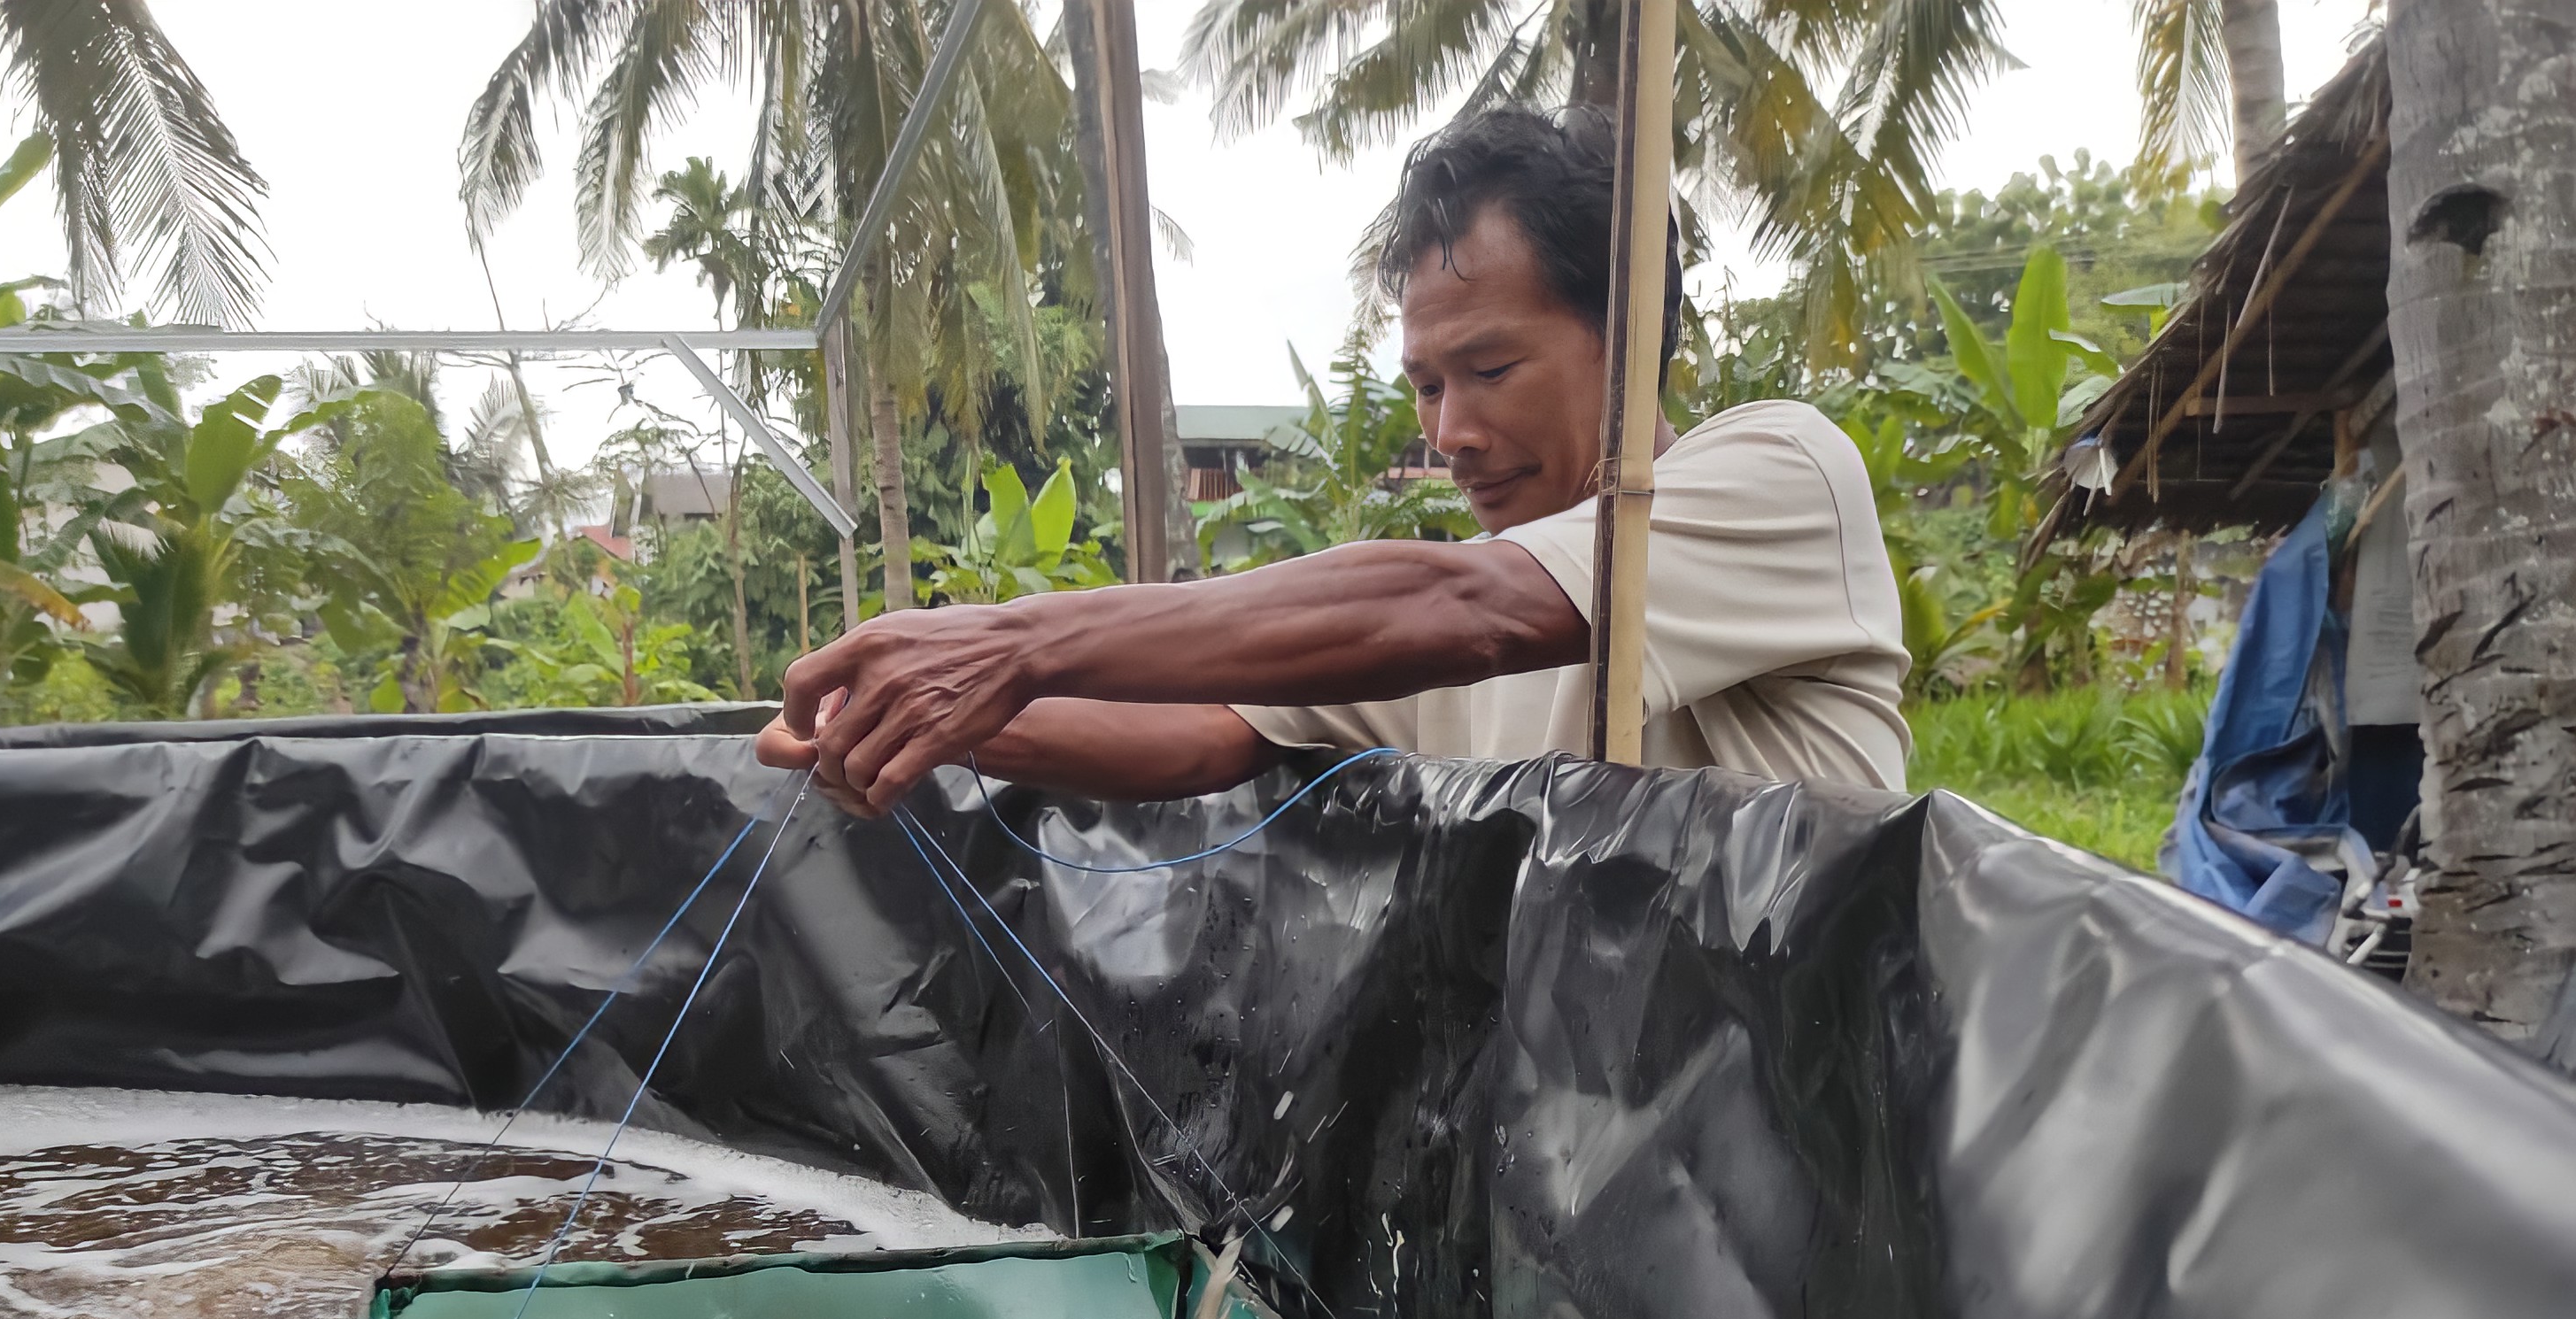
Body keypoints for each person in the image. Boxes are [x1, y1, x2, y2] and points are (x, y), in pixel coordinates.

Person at [761, 105, 1910, 814]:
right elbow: (1213, 730)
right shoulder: (1469, 623)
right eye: (1425, 385)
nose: (1449, 431)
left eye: (1490, 370)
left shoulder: (1779, 477)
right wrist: (905, 727)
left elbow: (1469, 606)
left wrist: (1015, 639)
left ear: (1633, 335)